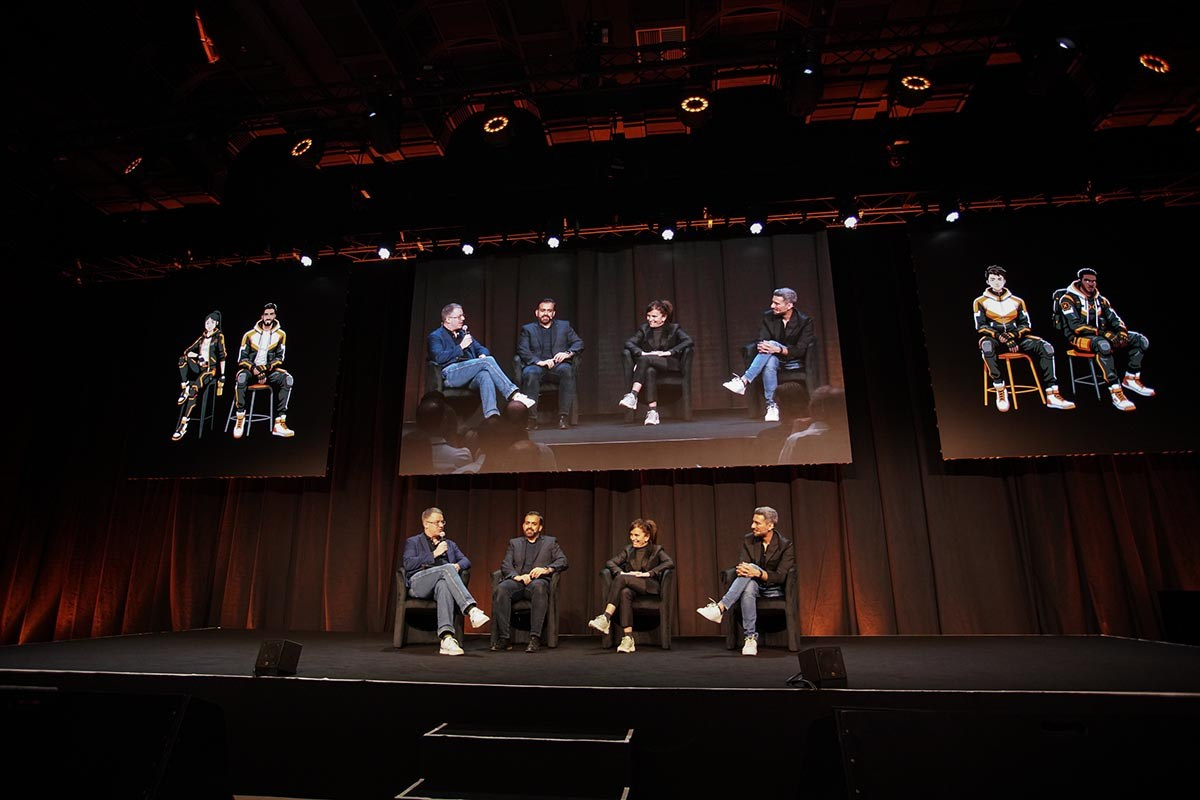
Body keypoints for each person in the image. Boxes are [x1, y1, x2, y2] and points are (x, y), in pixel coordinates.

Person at [973, 265, 1074, 412]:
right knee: (986, 346)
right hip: (995, 339)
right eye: (992, 279)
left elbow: (1026, 325)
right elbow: (981, 326)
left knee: (1046, 347)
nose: (996, 282)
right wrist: (1000, 336)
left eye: (999, 279)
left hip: (1016, 337)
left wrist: (1013, 335)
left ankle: (1052, 393)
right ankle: (1000, 389)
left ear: (1004, 280)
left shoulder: (1017, 301)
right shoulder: (980, 301)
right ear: (988, 281)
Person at [697, 506, 795, 656]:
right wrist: (748, 571)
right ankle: (750, 639)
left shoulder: (785, 545)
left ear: (770, 526)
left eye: (757, 523)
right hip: (752, 585)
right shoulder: (748, 540)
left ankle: (721, 608)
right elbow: (743, 567)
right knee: (748, 587)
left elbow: (780, 576)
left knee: (751, 573)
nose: (752, 526)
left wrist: (758, 573)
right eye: (753, 522)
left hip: (773, 589)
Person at [1053, 267, 1154, 412]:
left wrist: (1121, 331)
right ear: (1080, 281)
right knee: (1103, 345)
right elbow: (1076, 326)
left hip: (1101, 335)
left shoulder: (1101, 300)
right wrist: (1104, 333)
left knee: (1140, 340)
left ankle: (1131, 378)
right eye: (1087, 280)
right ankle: (1115, 390)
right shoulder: (1068, 299)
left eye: (1093, 281)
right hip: (1077, 338)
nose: (1091, 284)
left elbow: (1114, 318)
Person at [401, 507, 490, 655]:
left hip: (439, 584)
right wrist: (434, 554)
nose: (441, 525)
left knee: (444, 585)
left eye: (442, 522)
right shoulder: (413, 542)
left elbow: (466, 561)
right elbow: (408, 564)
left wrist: (458, 566)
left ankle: (446, 638)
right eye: (437, 522)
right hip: (419, 583)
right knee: (446, 569)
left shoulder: (449, 544)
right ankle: (471, 609)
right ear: (426, 524)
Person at [428, 303, 536, 421]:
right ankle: (513, 393)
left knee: (485, 375)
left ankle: (492, 416)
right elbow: (438, 358)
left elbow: (482, 348)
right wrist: (461, 347)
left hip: (469, 373)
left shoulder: (464, 334)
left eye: (463, 315)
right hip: (451, 374)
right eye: (459, 317)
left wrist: (482, 354)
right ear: (448, 319)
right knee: (487, 362)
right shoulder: (435, 336)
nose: (463, 319)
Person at [722, 288, 816, 422]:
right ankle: (772, 406)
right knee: (770, 361)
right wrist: (766, 346)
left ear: (789, 305)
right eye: (772, 302)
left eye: (777, 303)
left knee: (771, 351)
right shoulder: (768, 317)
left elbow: (800, 350)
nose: (772, 306)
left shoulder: (805, 321)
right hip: (771, 357)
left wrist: (777, 349)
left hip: (793, 359)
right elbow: (763, 340)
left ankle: (745, 381)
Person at [587, 519, 675, 654]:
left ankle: (606, 617)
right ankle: (628, 638)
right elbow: (610, 563)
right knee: (625, 592)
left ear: (647, 537)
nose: (633, 538)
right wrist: (622, 572)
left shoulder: (656, 550)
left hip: (649, 586)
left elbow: (669, 563)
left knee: (621, 578)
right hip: (631, 586)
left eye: (636, 535)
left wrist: (649, 573)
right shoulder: (628, 550)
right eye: (631, 535)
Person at [491, 511, 568, 652]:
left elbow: (563, 561)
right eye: (527, 523)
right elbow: (506, 564)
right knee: (502, 588)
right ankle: (504, 638)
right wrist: (516, 576)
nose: (530, 526)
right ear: (523, 525)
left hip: (537, 582)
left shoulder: (550, 542)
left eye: (534, 524)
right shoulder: (514, 543)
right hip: (518, 582)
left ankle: (535, 638)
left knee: (539, 587)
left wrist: (546, 569)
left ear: (540, 527)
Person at [619, 300, 693, 425]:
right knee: (649, 371)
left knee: (644, 360)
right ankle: (653, 412)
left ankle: (633, 395)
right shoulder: (644, 329)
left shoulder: (674, 328)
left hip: (669, 363)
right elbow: (629, 343)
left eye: (654, 316)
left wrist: (670, 352)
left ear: (663, 317)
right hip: (649, 363)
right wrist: (641, 353)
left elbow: (689, 341)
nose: (650, 319)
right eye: (648, 316)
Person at [517, 298, 585, 430]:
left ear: (553, 313)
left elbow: (579, 343)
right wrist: (539, 362)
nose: (545, 313)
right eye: (543, 310)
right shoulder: (528, 329)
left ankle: (563, 417)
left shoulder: (564, 326)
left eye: (549, 311)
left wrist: (568, 353)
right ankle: (532, 419)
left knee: (567, 371)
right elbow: (522, 349)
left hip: (558, 366)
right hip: (537, 366)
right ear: (537, 313)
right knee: (530, 374)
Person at [233, 302, 295, 438]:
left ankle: (279, 422)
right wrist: (253, 368)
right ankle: (240, 418)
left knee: (288, 379)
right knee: (241, 378)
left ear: (275, 316)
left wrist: (265, 369)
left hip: (268, 371)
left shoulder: (281, 334)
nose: (268, 317)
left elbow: (280, 358)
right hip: (251, 370)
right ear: (262, 316)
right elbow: (242, 359)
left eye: (271, 314)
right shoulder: (249, 335)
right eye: (266, 314)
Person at [173, 310, 227, 441]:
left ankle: (183, 425)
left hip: (210, 370)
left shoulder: (218, 337)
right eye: (207, 322)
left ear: (216, 323)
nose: (209, 324)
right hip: (199, 367)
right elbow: (187, 351)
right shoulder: (202, 338)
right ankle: (185, 386)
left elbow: (222, 356)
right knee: (182, 359)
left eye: (212, 322)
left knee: (194, 390)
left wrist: (222, 375)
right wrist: (198, 356)